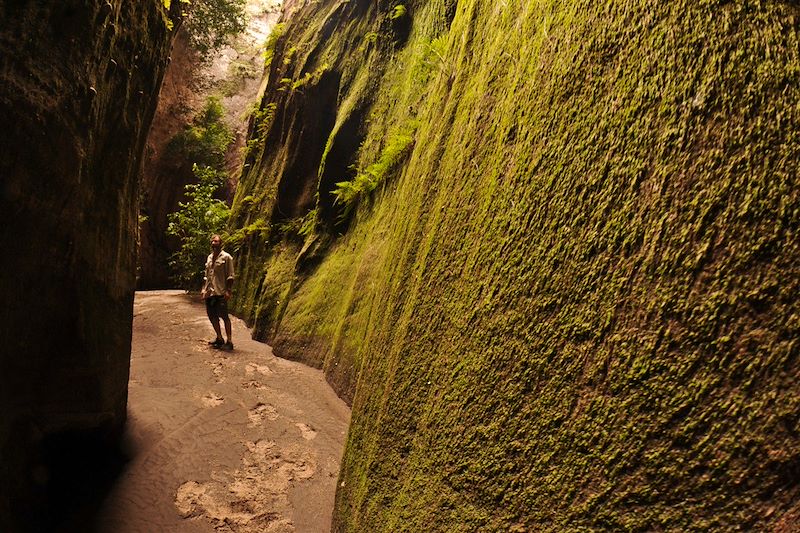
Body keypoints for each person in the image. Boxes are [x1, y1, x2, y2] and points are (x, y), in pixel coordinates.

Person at [201, 234, 235, 350]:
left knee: (224, 316)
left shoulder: (227, 257)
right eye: (212, 241)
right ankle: (219, 338)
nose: (214, 243)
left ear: (221, 244)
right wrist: (203, 289)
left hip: (221, 292)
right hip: (210, 293)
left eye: (216, 241)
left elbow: (230, 276)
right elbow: (206, 276)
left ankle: (229, 341)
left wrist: (228, 291)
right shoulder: (209, 257)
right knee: (212, 316)